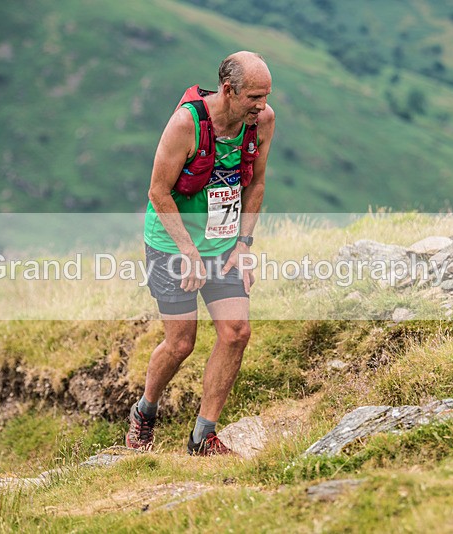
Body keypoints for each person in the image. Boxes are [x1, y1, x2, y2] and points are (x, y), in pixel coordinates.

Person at [126, 51, 275, 456]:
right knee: (180, 344)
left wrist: (244, 245)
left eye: (266, 97)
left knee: (236, 333)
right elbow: (158, 191)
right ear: (229, 91)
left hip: (224, 245)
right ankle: (145, 410)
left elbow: (256, 185)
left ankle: (202, 436)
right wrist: (188, 251)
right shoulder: (186, 125)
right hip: (172, 243)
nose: (261, 106)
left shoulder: (262, 123)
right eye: (254, 98)